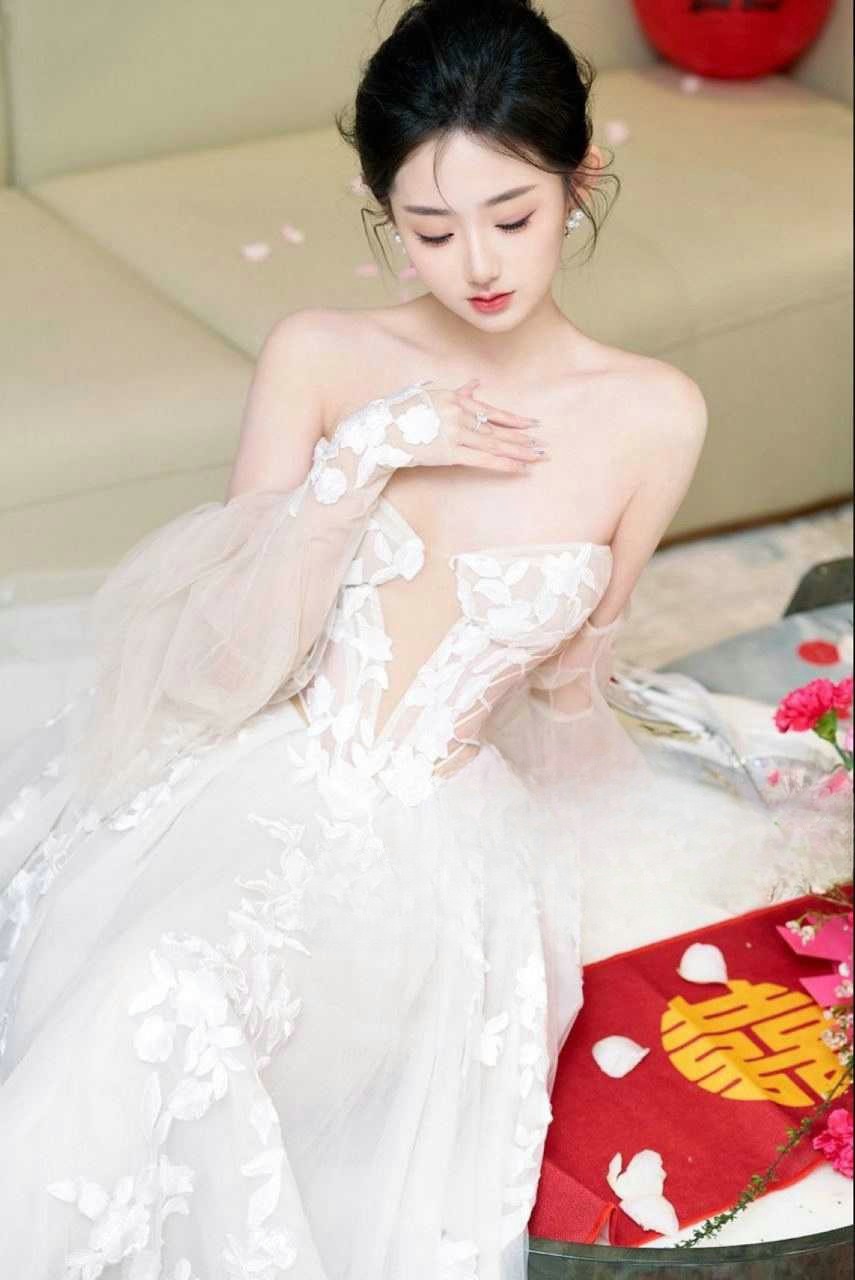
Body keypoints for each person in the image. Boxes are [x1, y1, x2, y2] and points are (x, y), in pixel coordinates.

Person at [0, 1, 849, 1276]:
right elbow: (231, 661)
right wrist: (359, 462)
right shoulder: (323, 357)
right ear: (384, 213)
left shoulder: (654, 415)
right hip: (258, 778)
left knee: (233, 1050)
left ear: (581, 179)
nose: (478, 265)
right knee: (153, 993)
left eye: (513, 216)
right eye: (431, 229)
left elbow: (571, 687)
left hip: (445, 855)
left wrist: (656, 799)